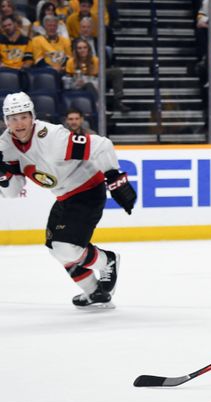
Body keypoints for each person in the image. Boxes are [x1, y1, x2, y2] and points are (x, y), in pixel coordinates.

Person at [0, 92, 135, 308]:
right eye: (13, 118)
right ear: (6, 121)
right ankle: (94, 292)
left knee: (66, 248)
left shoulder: (53, 138)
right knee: (56, 249)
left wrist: (113, 176)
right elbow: (12, 192)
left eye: (23, 116)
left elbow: (102, 145)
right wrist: (3, 175)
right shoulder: (6, 144)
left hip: (88, 190)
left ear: (32, 116)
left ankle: (106, 260)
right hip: (64, 196)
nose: (19, 123)